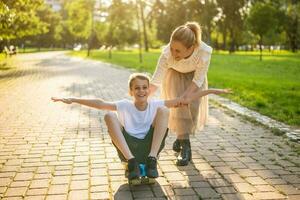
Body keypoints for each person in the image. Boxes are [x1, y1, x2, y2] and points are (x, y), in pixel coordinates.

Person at [52, 73, 229, 181]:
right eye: (137, 88)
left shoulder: (155, 104)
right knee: (108, 115)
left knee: (164, 110)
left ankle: (152, 160)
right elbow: (100, 103)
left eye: (145, 87)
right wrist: (73, 99)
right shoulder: (124, 105)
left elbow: (185, 100)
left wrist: (212, 91)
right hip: (128, 148)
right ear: (131, 91)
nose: (142, 91)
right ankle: (132, 163)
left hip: (150, 146)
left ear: (148, 90)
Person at [149, 21, 213, 166]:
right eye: (172, 48)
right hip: (174, 77)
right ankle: (186, 149)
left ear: (191, 48)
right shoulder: (167, 54)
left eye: (178, 51)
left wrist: (187, 95)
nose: (173, 53)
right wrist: (142, 98)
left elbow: (199, 78)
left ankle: (180, 137)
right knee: (180, 111)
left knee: (192, 112)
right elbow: (156, 79)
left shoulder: (203, 51)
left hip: (194, 81)